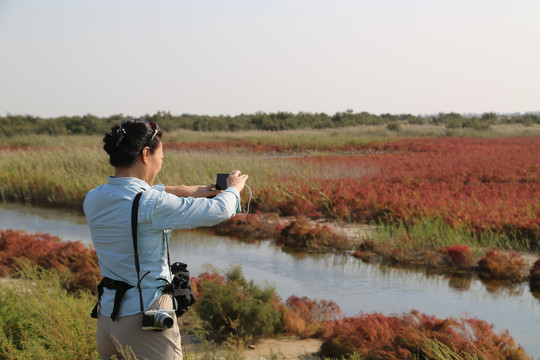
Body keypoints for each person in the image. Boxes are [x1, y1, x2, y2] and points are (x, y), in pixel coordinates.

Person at [83, 118, 248, 360]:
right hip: (145, 317)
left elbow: (138, 195)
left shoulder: (94, 197)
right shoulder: (151, 205)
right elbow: (219, 211)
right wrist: (234, 188)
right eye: (161, 155)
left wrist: (188, 190)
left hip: (108, 318)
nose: (162, 160)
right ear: (146, 154)